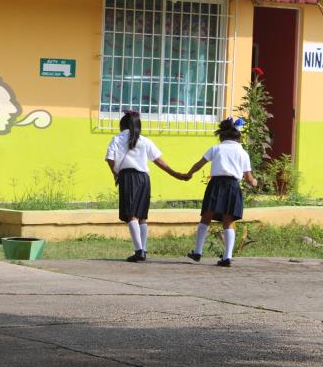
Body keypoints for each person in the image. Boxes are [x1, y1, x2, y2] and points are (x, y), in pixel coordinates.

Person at [106, 111, 189, 262]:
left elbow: (110, 159)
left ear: (123, 125)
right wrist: (175, 173)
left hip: (128, 177)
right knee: (142, 216)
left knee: (131, 214)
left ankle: (138, 251)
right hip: (144, 178)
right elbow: (159, 161)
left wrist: (115, 173)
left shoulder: (117, 138)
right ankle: (143, 249)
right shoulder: (145, 141)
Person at [184, 118, 258, 267]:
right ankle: (227, 257)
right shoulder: (242, 153)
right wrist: (255, 182)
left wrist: (189, 174)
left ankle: (198, 252)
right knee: (228, 222)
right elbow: (249, 178)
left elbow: (199, 164)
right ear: (239, 137)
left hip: (216, 185)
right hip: (233, 186)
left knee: (206, 217)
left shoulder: (216, 148)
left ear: (222, 136)